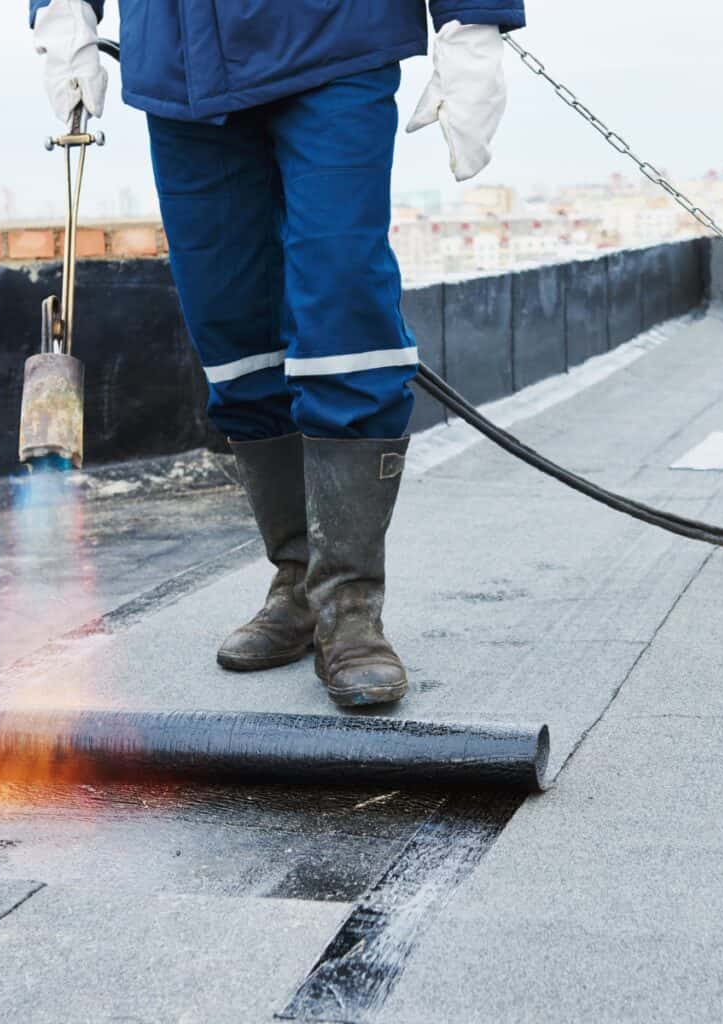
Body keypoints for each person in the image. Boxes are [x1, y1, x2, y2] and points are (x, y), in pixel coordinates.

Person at [31, 0, 525, 706]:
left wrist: (473, 25)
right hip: (180, 68)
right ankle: (297, 581)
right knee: (232, 331)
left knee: (344, 307)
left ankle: (348, 606)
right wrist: (62, 14)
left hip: (332, 39)